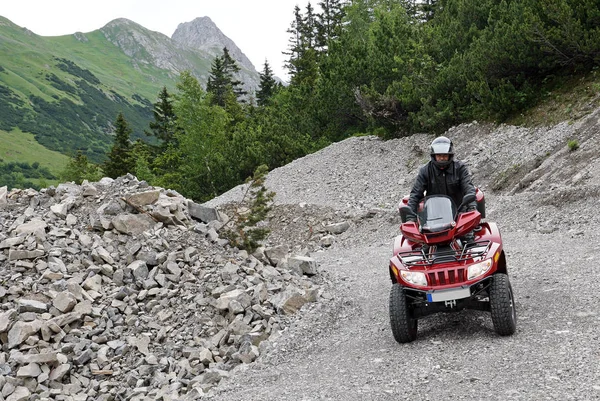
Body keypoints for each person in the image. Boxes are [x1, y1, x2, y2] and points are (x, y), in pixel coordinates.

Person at [407, 136, 477, 240]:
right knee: (420, 244)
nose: (442, 158)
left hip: (459, 211)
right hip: (433, 216)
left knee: (468, 239)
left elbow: (468, 188)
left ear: (450, 156)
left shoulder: (460, 168)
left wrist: (472, 208)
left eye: (445, 155)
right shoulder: (425, 171)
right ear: (434, 156)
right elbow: (415, 194)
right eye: (439, 155)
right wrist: (410, 217)